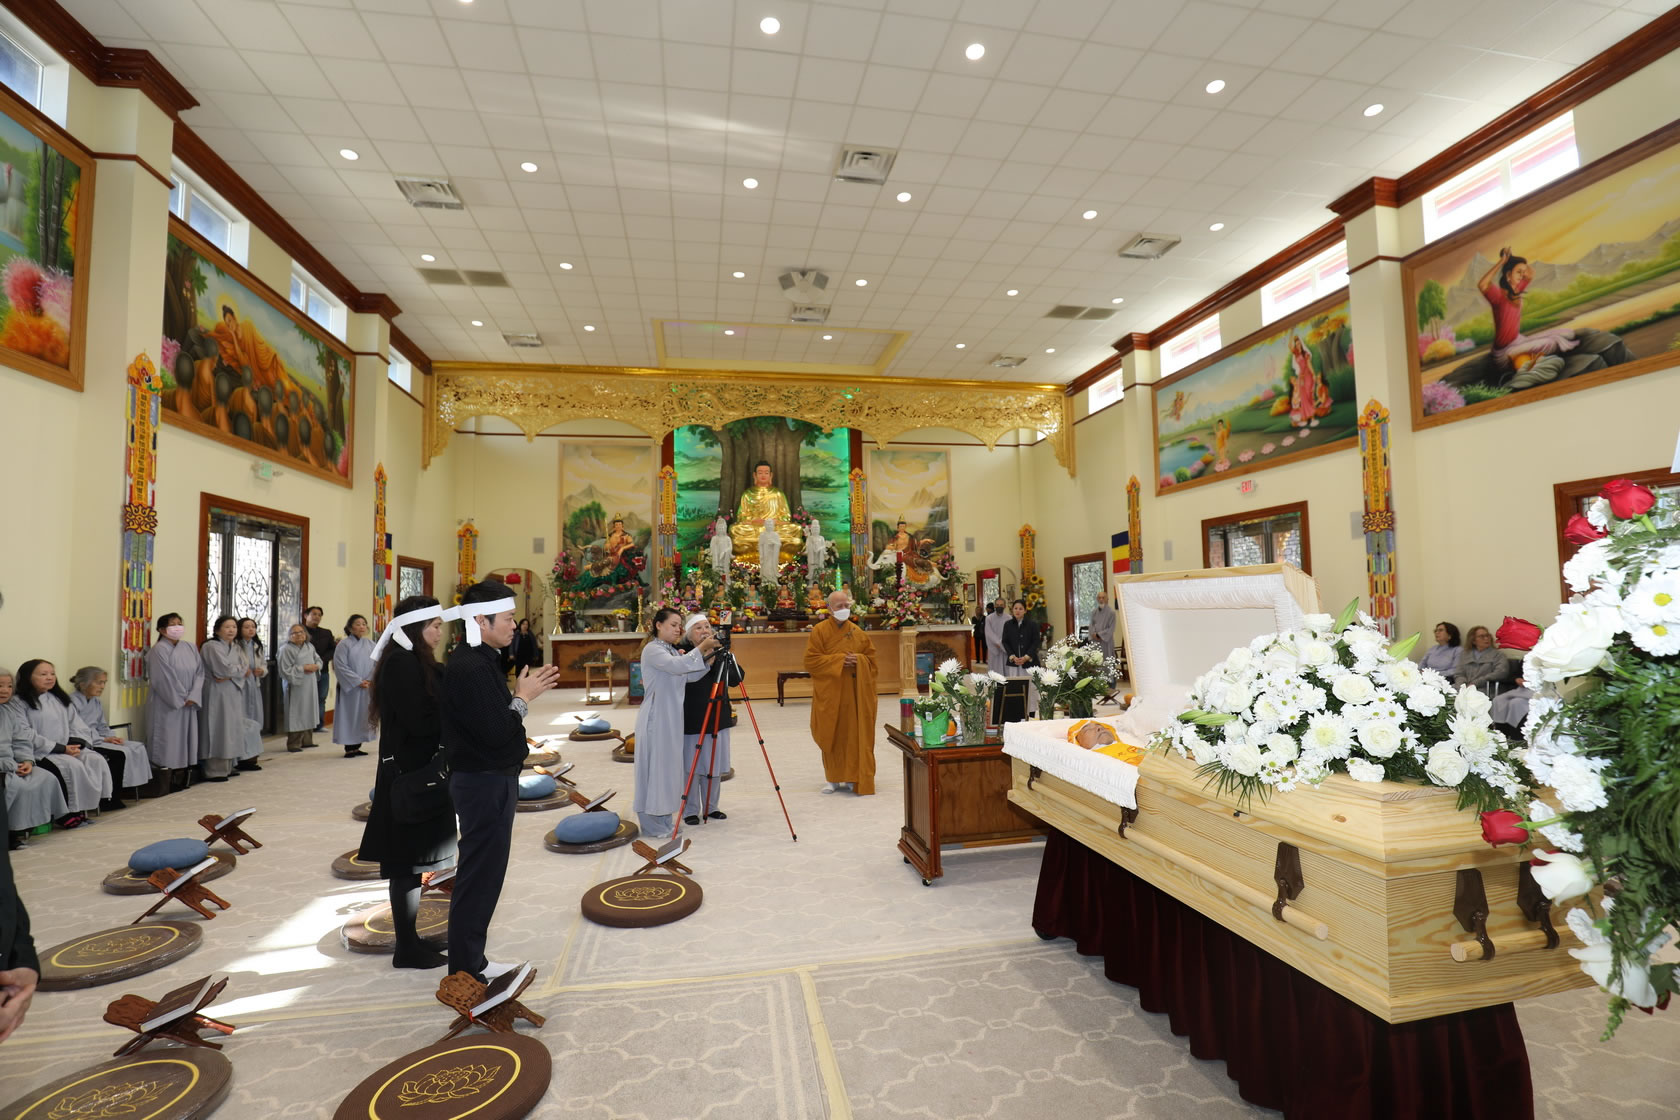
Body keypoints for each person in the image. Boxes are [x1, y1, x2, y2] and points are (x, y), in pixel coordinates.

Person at [440, 580, 558, 982]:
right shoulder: (472, 667)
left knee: (485, 876)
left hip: (488, 779)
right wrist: (523, 698)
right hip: (483, 783)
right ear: (481, 620)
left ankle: (473, 960)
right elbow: (496, 731)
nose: (512, 625)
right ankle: (465, 971)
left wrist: (519, 697)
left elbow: (491, 722)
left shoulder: (480, 658)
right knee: (479, 877)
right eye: (506, 618)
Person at [360, 597, 455, 970]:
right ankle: (406, 947)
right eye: (434, 626)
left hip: (418, 771)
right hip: (408, 776)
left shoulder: (413, 659)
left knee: (413, 863)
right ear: (416, 628)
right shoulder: (401, 664)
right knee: (405, 864)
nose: (439, 632)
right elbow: (421, 721)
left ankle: (410, 940)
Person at [631, 608, 718, 836]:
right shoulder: (653, 649)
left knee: (668, 769)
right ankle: (653, 825)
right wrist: (702, 647)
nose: (678, 629)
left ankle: (664, 820)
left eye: (680, 625)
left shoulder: (669, 650)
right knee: (656, 770)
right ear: (658, 625)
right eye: (673, 624)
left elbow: (688, 675)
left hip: (670, 717)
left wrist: (707, 661)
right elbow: (677, 666)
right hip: (656, 717)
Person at [13, 659, 117, 814]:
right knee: (72, 765)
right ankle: (70, 812)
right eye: (43, 674)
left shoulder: (59, 699)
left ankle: (91, 806)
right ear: (28, 677)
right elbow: (25, 733)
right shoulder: (19, 702)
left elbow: (77, 725)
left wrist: (76, 745)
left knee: (95, 759)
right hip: (42, 751)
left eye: (52, 674)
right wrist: (61, 748)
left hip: (66, 746)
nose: (50, 677)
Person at [804, 589, 879, 795]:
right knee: (832, 734)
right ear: (829, 609)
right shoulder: (819, 631)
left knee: (854, 736)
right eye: (839, 606)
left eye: (847, 605)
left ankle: (853, 776)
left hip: (854, 695)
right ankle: (833, 778)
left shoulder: (858, 632)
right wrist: (839, 661)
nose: (844, 609)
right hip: (830, 693)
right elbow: (811, 661)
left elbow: (872, 663)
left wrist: (859, 660)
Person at [679, 613, 745, 826]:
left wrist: (720, 658)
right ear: (689, 635)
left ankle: (711, 807)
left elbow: (736, 679)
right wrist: (702, 656)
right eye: (698, 628)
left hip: (717, 715)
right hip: (692, 717)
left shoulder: (722, 652)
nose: (704, 631)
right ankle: (690, 810)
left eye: (707, 626)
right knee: (691, 766)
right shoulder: (682, 653)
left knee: (713, 766)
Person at [0, 668, 68, 848]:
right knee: (15, 785)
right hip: (4, 766)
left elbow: (21, 740)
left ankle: (21, 829)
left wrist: (27, 761)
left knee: (46, 777)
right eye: (0, 686)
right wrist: (8, 765)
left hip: (14, 764)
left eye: (9, 686)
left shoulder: (8, 711)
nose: (5, 690)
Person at [68, 667, 153, 797]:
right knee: (122, 753)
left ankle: (134, 787)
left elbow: (102, 725)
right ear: (83, 684)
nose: (102, 686)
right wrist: (103, 739)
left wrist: (112, 737)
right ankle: (117, 793)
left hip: (99, 737)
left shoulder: (96, 702)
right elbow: (76, 729)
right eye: (99, 682)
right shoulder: (71, 702)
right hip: (86, 740)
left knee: (138, 747)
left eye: (104, 682)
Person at [145, 613, 202, 789]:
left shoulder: (190, 647)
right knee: (168, 739)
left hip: (189, 701)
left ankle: (183, 775)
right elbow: (163, 678)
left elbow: (200, 673)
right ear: (162, 630)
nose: (177, 627)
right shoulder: (158, 650)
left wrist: (193, 695)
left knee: (185, 738)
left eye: (179, 623)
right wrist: (181, 697)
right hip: (168, 702)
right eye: (172, 624)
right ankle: (167, 778)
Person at [198, 617, 250, 781]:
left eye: (234, 626)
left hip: (232, 690)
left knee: (231, 728)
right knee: (217, 727)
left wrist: (231, 674)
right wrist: (235, 673)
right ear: (217, 630)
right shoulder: (211, 646)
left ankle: (228, 766)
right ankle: (214, 770)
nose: (231, 630)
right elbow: (222, 670)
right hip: (216, 692)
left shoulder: (236, 646)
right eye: (227, 627)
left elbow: (245, 667)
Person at [730, 460, 803, 562]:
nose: (763, 475)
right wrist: (754, 521)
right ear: (755, 475)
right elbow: (741, 517)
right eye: (760, 473)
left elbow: (786, 516)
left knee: (796, 528)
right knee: (735, 529)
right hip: (754, 528)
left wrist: (775, 521)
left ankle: (753, 551)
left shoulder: (777, 494)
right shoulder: (748, 494)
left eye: (766, 473)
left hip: (775, 528)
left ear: (771, 475)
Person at [333, 614, 376, 758]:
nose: (362, 626)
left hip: (366, 685)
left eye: (364, 624)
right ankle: (349, 747)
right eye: (358, 624)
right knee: (349, 716)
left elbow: (377, 663)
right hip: (351, 687)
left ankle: (357, 746)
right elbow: (340, 666)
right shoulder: (344, 645)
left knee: (363, 715)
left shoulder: (370, 644)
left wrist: (369, 679)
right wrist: (357, 681)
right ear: (350, 628)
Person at [278, 624, 322, 751]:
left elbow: (318, 660)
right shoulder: (285, 649)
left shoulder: (309, 646)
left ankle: (307, 740)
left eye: (301, 632)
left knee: (309, 710)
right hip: (296, 685)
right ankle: (293, 743)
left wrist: (316, 666)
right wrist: (303, 668)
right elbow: (284, 670)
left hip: (310, 683)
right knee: (296, 713)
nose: (299, 635)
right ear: (289, 636)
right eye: (295, 633)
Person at [304, 606, 335, 732]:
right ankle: (306, 725)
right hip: (306, 671)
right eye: (314, 614)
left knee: (321, 698)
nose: (317, 617)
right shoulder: (300, 631)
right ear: (306, 616)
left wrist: (320, 661)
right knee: (306, 698)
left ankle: (319, 724)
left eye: (319, 615)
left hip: (323, 671)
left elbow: (332, 650)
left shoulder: (326, 633)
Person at [1456, 625, 1512, 691]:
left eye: (1487, 636)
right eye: (1482, 636)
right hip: (1465, 687)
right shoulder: (1465, 654)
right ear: (1473, 640)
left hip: (1486, 688)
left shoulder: (1498, 655)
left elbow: (1501, 673)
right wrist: (1462, 685)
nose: (1486, 638)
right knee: (1449, 692)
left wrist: (1477, 682)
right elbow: (1459, 673)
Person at [236, 618, 267, 731]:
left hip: (254, 682)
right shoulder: (235, 645)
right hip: (241, 683)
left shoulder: (257, 645)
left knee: (255, 711)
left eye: (253, 627)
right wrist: (242, 670)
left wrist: (262, 670)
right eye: (247, 627)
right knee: (242, 711)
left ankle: (254, 736)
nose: (251, 629)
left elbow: (263, 663)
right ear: (240, 629)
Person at [1001, 599, 1039, 678]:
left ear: (1025, 611)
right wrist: (1012, 656)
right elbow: (1005, 642)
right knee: (1015, 683)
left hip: (1029, 662)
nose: (1017, 611)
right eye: (1015, 608)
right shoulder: (1008, 624)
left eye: (1020, 609)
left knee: (1029, 683)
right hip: (1014, 662)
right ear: (1012, 610)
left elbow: (1036, 642)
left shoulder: (1032, 625)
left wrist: (1026, 657)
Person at [1088, 592, 1117, 659]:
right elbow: (1091, 625)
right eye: (1099, 598)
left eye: (1103, 598)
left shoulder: (1111, 613)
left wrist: (1099, 635)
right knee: (1096, 661)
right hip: (1095, 641)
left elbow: (1111, 629)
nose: (1101, 600)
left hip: (1106, 642)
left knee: (1106, 661)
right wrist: (1093, 634)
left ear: (1107, 599)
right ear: (1097, 599)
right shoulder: (1094, 612)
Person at [984, 597, 1008, 670]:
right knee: (995, 669)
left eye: (1001, 605)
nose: (999, 606)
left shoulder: (1009, 618)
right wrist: (998, 643)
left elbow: (1010, 633)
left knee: (1006, 669)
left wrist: (1004, 644)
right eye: (997, 605)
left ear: (1005, 606)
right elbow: (989, 633)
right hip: (994, 648)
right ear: (994, 606)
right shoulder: (989, 618)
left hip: (1005, 647)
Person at [757, 517, 781, 582]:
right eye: (767, 524)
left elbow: (778, 544)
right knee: (765, 566)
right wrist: (761, 555)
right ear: (765, 525)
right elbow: (760, 545)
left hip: (772, 555)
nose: (769, 526)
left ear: (773, 525)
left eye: (770, 524)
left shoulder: (775, 534)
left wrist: (774, 542)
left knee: (772, 566)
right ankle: (765, 580)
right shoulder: (762, 535)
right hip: (765, 554)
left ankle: (773, 580)